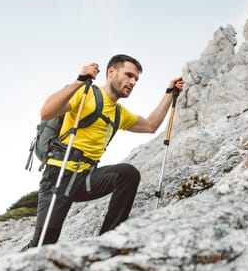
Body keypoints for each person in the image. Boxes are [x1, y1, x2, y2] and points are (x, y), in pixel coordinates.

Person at [26, 54, 184, 248]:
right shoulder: (86, 94)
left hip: (86, 179)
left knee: (127, 174)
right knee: (43, 244)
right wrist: (79, 80)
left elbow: (150, 125)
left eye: (135, 79)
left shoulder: (119, 113)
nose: (132, 82)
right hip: (58, 176)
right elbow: (47, 111)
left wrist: (169, 93)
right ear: (111, 72)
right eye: (128, 75)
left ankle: (108, 241)